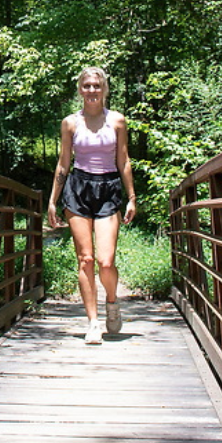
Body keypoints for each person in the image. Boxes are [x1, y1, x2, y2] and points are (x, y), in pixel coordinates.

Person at [47, 66, 137, 344]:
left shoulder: (118, 121)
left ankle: (112, 302)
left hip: (108, 188)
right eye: (86, 86)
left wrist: (132, 197)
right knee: (85, 259)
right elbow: (64, 163)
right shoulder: (70, 123)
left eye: (96, 86)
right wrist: (52, 200)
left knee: (105, 261)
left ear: (104, 88)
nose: (91, 90)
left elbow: (123, 160)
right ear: (80, 89)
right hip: (78, 188)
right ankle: (93, 323)